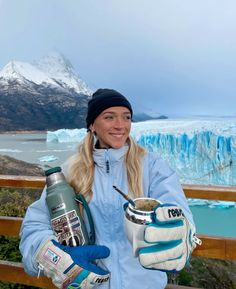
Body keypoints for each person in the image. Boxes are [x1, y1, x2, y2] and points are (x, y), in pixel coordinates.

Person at [20, 88, 200, 289]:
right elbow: (34, 228)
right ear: (92, 125)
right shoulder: (68, 173)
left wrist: (180, 233)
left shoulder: (152, 167)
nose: (120, 125)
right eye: (109, 117)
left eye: (126, 117)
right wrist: (55, 258)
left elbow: (177, 210)